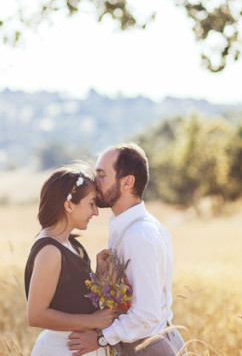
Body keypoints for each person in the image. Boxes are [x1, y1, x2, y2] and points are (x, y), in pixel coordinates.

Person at [68, 143, 187, 356]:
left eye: (102, 176)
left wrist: (101, 339)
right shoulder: (129, 226)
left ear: (127, 182)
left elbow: (146, 314)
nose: (95, 184)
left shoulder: (139, 236)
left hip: (148, 348)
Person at [24, 165, 118, 356]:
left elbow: (74, 298)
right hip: (61, 349)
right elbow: (35, 315)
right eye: (91, 204)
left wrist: (99, 274)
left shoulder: (72, 244)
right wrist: (93, 321)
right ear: (68, 205)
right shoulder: (50, 251)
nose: (96, 212)